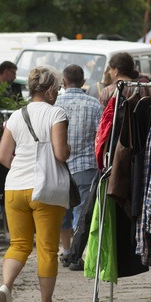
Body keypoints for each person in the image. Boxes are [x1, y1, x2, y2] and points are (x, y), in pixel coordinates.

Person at [0, 66, 69, 302]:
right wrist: (67, 149)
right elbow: (60, 153)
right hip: (46, 189)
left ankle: (6, 286)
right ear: (48, 90)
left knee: (19, 244)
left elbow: (3, 156)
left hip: (15, 186)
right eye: (56, 90)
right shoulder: (56, 113)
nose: (57, 94)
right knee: (47, 248)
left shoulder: (16, 115)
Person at [55, 64, 101, 271]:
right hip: (86, 166)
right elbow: (101, 136)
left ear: (63, 82)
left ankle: (66, 251)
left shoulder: (54, 104)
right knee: (82, 213)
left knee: (62, 213)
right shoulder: (94, 104)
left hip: (59, 166)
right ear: (83, 82)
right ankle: (78, 254)